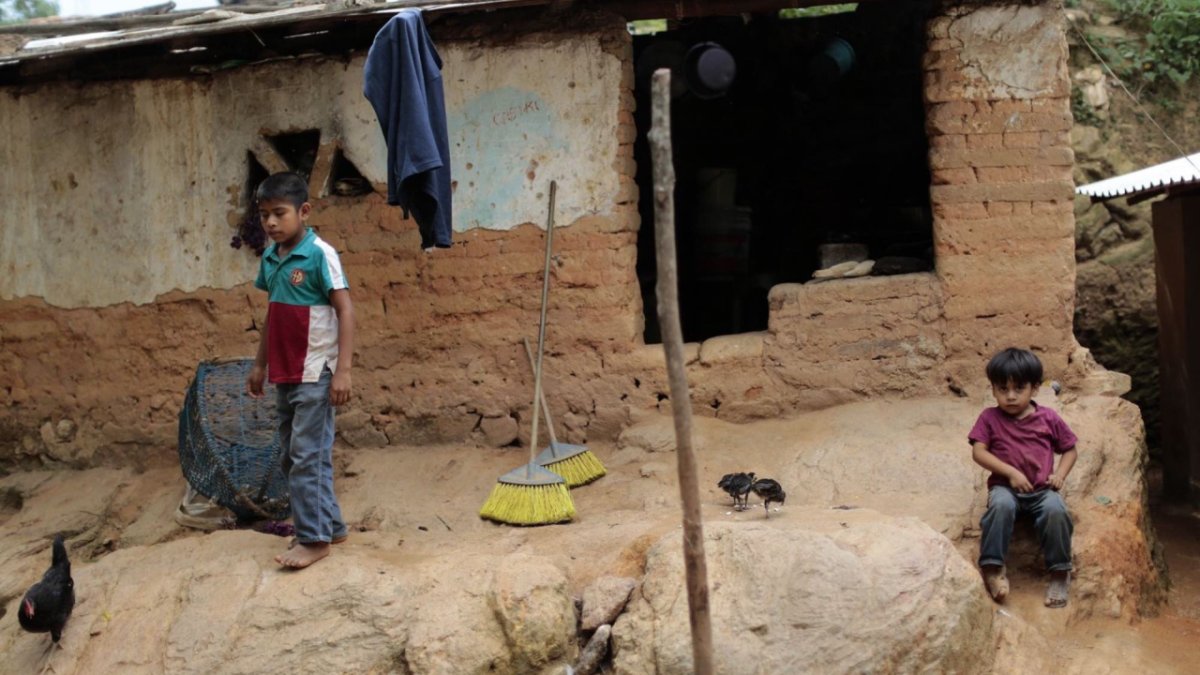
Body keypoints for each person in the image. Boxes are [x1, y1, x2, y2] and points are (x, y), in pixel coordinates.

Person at [246, 172, 355, 569]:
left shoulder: (319, 254)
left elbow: (345, 310)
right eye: (264, 215)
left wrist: (343, 371)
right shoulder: (271, 258)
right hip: (285, 373)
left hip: (315, 372)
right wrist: (260, 363)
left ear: (304, 211)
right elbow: (273, 314)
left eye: (280, 213)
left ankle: (313, 539)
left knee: (307, 456)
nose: (271, 223)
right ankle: (331, 526)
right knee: (295, 458)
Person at [969, 347, 1077, 608]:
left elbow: (1070, 450)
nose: (1010, 396)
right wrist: (1010, 472)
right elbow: (978, 452)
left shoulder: (1048, 418)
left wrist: (1059, 475)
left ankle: (1059, 574)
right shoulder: (989, 418)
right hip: (1005, 487)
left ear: (1035, 388)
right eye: (1002, 389)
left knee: (1056, 511)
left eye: (1019, 388)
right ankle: (993, 569)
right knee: (1001, 506)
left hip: (1042, 490)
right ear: (993, 389)